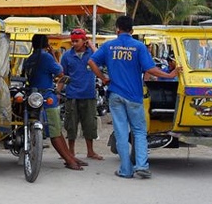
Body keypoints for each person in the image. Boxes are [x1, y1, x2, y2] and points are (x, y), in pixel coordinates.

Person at [89, 16, 179, 179]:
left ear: (117, 29)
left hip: (115, 94)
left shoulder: (109, 46)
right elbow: (150, 69)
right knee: (138, 131)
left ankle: (125, 169)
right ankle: (142, 166)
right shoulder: (138, 47)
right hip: (134, 96)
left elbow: (91, 61)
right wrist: (169, 74)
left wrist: (103, 78)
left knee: (121, 132)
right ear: (132, 30)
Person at [22, 34, 87, 171]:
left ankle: (70, 156)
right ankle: (69, 160)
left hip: (32, 97)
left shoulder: (28, 59)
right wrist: (52, 54)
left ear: (33, 45)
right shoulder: (46, 57)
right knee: (54, 131)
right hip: (47, 97)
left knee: (56, 129)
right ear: (46, 44)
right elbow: (60, 72)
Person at [59, 28, 103, 160]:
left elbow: (102, 60)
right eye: (72, 41)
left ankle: (90, 151)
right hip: (72, 95)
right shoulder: (67, 56)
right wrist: (58, 91)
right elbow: (63, 75)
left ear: (84, 41)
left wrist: (92, 46)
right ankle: (70, 152)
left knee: (90, 124)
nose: (73, 44)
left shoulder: (92, 54)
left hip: (88, 94)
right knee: (71, 125)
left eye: (76, 41)